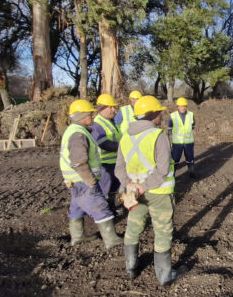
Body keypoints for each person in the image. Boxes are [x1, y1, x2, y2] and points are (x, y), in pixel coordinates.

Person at [115, 95, 180, 285]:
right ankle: (165, 276)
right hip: (158, 193)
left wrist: (131, 186)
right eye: (159, 112)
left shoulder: (125, 137)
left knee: (133, 227)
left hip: (133, 193)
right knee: (162, 232)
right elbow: (162, 170)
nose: (161, 115)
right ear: (154, 115)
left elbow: (119, 168)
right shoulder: (158, 135)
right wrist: (144, 187)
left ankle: (130, 269)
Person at [59, 99, 122, 249]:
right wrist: (91, 181)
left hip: (74, 180)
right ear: (82, 115)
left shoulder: (75, 131)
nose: (93, 117)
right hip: (83, 180)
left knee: (77, 207)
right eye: (90, 114)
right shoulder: (78, 134)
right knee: (100, 207)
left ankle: (78, 237)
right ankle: (111, 239)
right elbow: (79, 161)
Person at [91, 94, 122, 211]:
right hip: (104, 164)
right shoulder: (97, 124)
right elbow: (104, 144)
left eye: (114, 107)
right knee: (105, 189)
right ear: (102, 108)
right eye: (111, 107)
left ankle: (111, 208)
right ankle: (103, 213)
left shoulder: (111, 121)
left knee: (114, 188)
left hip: (115, 161)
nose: (114, 110)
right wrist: (124, 147)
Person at [168, 97, 196, 178]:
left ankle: (192, 173)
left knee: (190, 159)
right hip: (177, 143)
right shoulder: (172, 116)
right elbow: (169, 128)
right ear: (178, 107)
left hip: (188, 142)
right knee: (175, 160)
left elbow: (193, 125)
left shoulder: (191, 114)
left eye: (184, 106)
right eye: (181, 106)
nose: (183, 108)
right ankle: (172, 175)